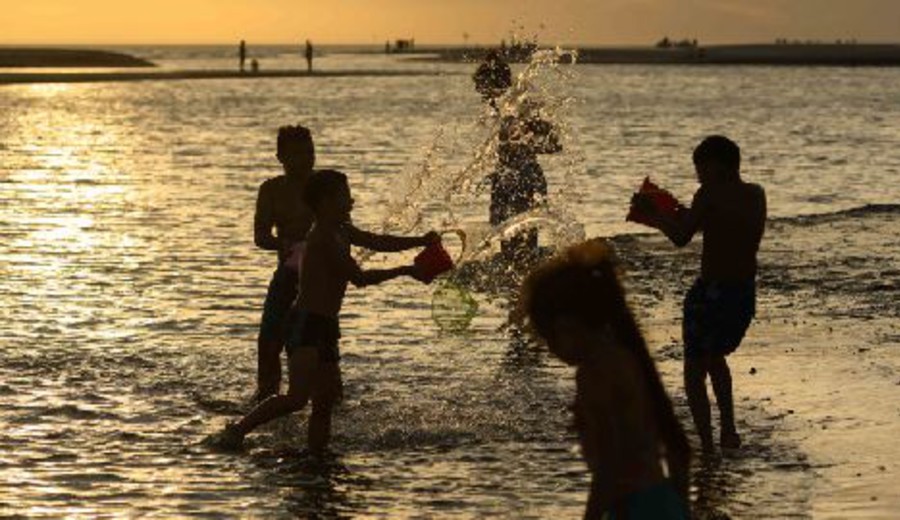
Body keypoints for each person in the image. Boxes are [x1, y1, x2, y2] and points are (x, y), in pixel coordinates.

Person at [210, 170, 437, 452]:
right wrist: (406, 270)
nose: (351, 201)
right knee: (296, 399)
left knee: (324, 402)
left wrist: (420, 242)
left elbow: (378, 241)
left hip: (327, 325)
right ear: (326, 202)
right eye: (344, 196)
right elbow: (359, 278)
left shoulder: (342, 230)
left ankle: (317, 455)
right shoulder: (322, 237)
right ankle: (237, 431)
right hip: (304, 324)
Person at [520, 239, 691, 519]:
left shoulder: (595, 373)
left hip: (632, 508)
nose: (551, 350)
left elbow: (610, 467)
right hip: (661, 501)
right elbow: (678, 451)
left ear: (568, 326)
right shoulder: (628, 357)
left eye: (549, 338)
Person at [633, 135, 766, 452]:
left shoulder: (709, 194)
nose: (698, 176)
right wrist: (681, 211)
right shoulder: (755, 194)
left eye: (701, 169)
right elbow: (723, 226)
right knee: (716, 358)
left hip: (711, 293)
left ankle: (707, 443)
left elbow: (681, 236)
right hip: (743, 292)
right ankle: (729, 432)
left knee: (695, 368)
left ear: (718, 166)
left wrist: (654, 216)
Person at [473, 50, 561, 264]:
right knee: (505, 239)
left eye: (482, 87)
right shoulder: (500, 108)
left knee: (523, 244)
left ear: (494, 84)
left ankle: (528, 285)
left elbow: (554, 144)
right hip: (504, 180)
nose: (480, 93)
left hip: (525, 179)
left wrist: (526, 144)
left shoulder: (519, 106)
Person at [253, 125, 317, 402]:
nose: (305, 159)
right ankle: (267, 396)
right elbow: (260, 235)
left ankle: (327, 398)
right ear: (280, 156)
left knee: (315, 347)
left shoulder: (324, 186)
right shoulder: (271, 190)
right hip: (287, 275)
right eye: (297, 154)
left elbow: (347, 230)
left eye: (309, 152)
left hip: (317, 281)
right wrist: (284, 244)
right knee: (269, 344)